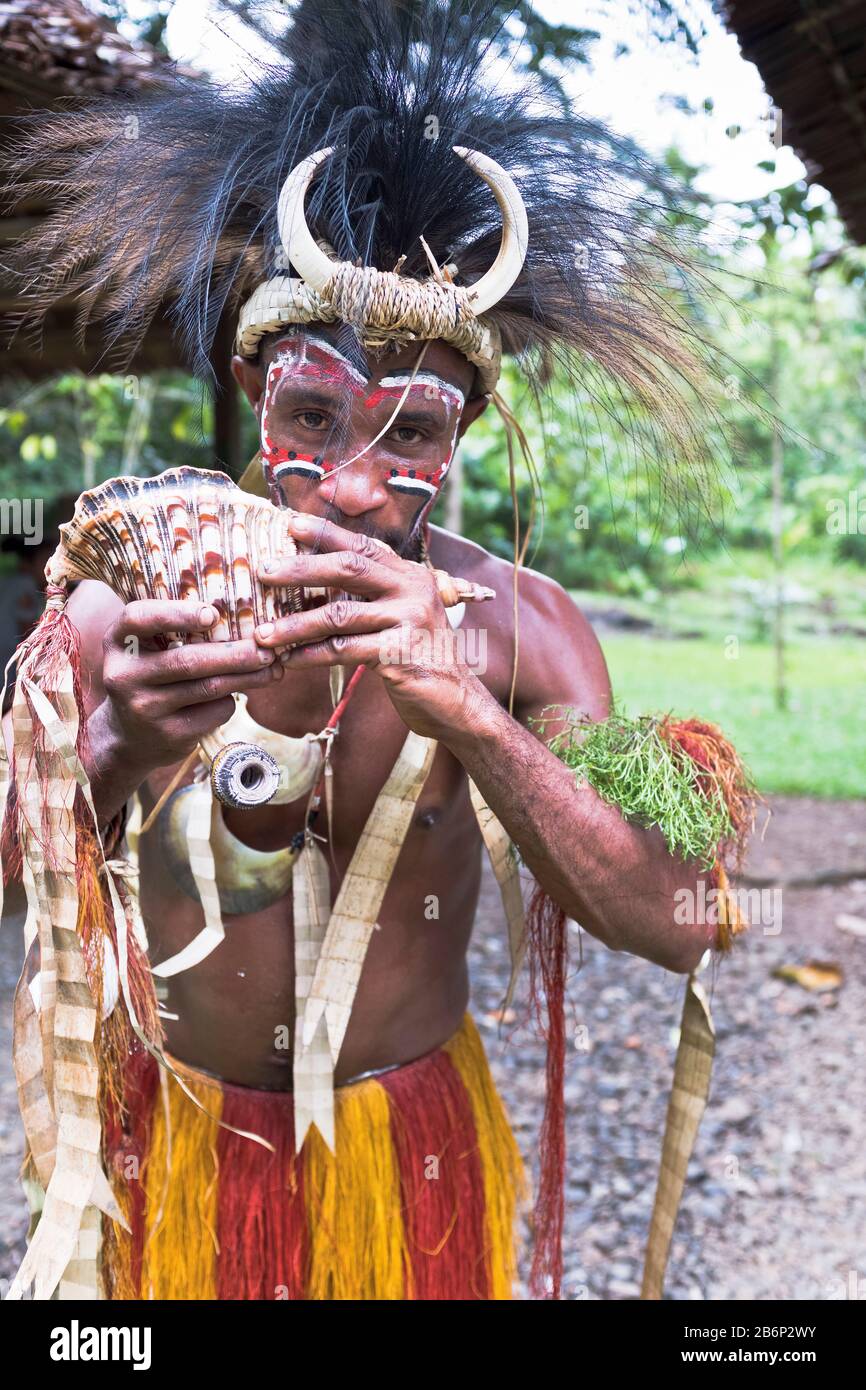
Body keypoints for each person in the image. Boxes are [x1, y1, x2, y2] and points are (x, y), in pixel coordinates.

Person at [0, 0, 753, 1301]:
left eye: (406, 434)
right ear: (254, 394)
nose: (352, 487)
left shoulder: (522, 626)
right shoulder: (117, 606)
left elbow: (686, 916)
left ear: (460, 435)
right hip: (173, 1146)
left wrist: (470, 713)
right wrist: (111, 749)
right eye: (312, 414)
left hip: (410, 1162)